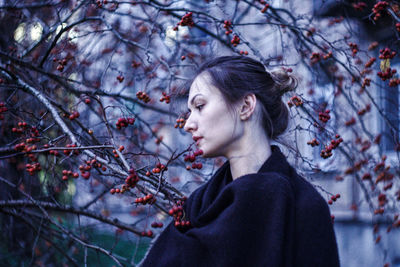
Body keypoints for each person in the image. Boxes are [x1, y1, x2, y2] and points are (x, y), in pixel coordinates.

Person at [139, 56, 340, 267]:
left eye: (199, 106)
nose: (188, 124)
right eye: (190, 111)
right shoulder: (198, 207)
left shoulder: (305, 207)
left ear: (245, 106)